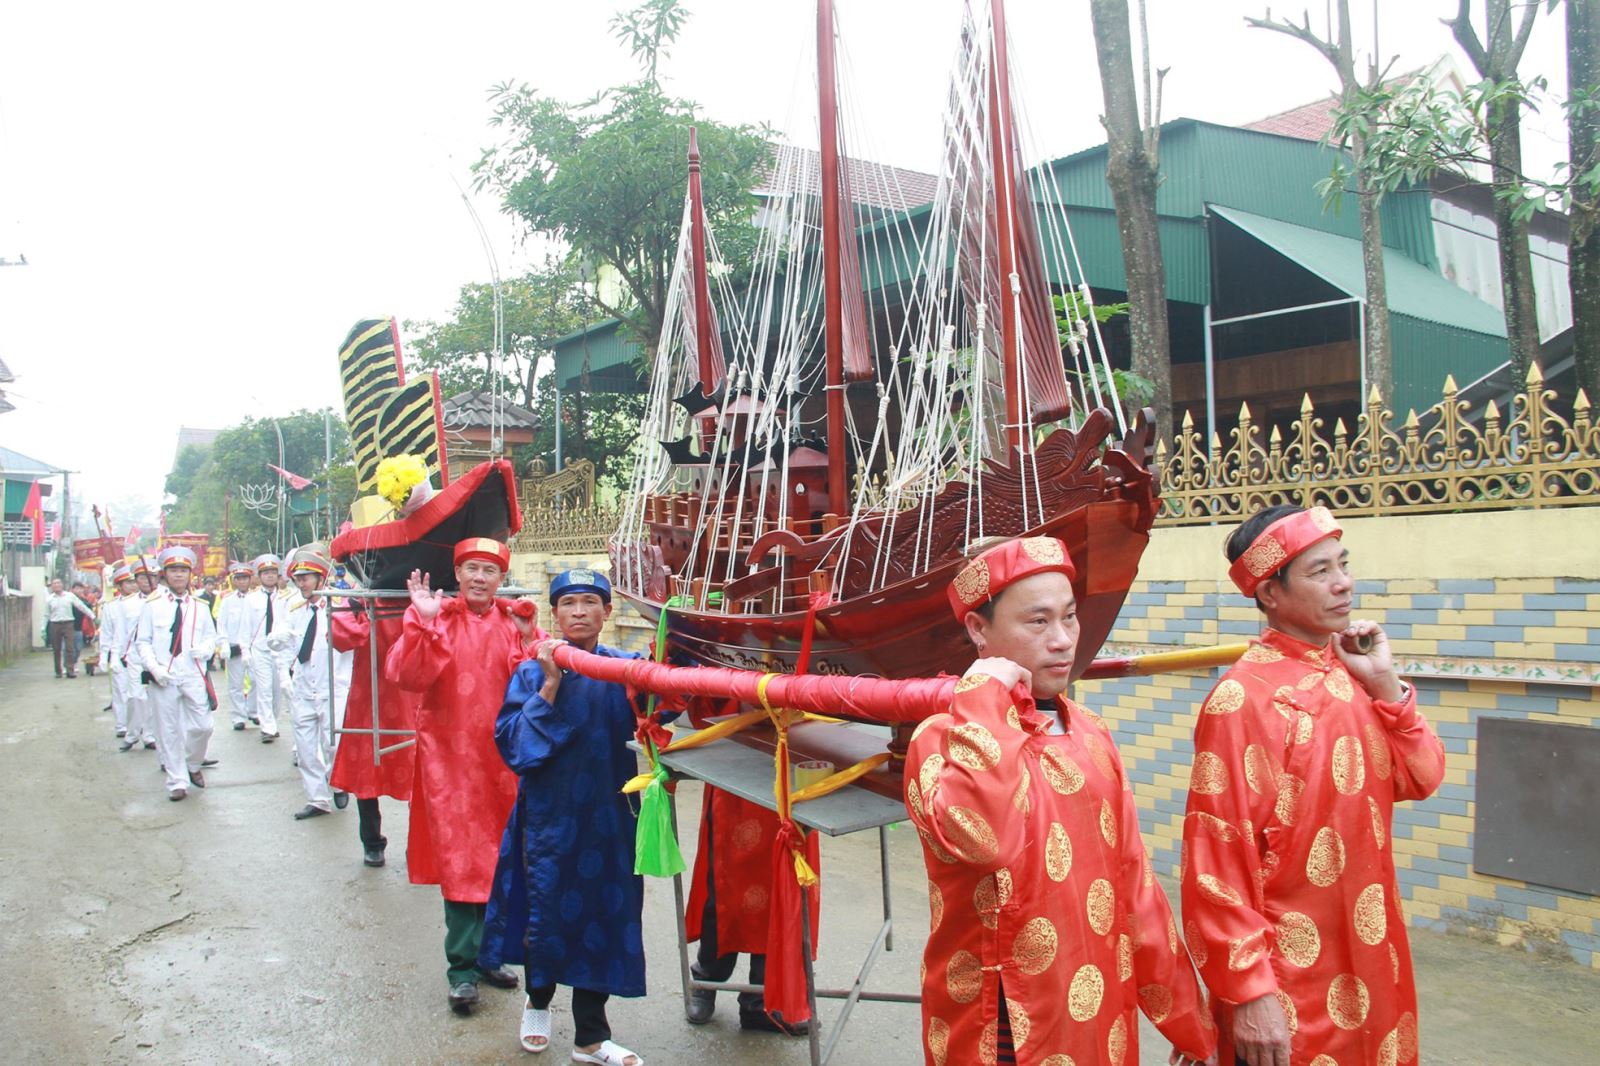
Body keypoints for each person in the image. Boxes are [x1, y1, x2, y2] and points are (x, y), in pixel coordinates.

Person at [906, 536, 1216, 1066]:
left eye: (1069, 617)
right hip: (1002, 1028)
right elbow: (986, 842)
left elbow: (1135, 893)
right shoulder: (941, 740)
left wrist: (1191, 1026)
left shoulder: (1092, 734)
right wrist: (983, 697)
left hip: (1101, 1021)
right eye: (1037, 621)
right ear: (978, 630)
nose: (1063, 640)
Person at [1181, 506, 1446, 1066]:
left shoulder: (1353, 675)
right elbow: (1216, 864)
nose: (1343, 582)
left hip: (1374, 957)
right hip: (1291, 980)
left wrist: (1385, 685)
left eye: (1343, 565)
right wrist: (1251, 993)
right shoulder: (1242, 699)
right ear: (1270, 593)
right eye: (1320, 571)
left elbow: (1422, 777)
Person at [479, 570, 655, 1066]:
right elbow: (516, 749)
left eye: (589, 602)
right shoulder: (531, 672)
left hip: (609, 819)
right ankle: (537, 1005)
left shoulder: (626, 670)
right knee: (545, 914)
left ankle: (591, 1037)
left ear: (607, 612)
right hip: (548, 821)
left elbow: (666, 710)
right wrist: (552, 685)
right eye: (569, 603)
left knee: (604, 915)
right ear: (553, 613)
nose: (579, 611)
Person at [386, 537, 541, 1015]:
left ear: (500, 579)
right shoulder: (438, 617)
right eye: (472, 568)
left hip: (502, 762)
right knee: (459, 861)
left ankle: (488, 955)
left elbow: (534, 684)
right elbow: (405, 676)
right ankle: (460, 969)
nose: (479, 578)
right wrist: (422, 623)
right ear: (458, 573)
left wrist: (530, 637)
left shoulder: (511, 623)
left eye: (489, 571)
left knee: (501, 860)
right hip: (448, 762)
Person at [329, 589, 419, 869]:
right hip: (370, 696)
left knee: (423, 774)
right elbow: (342, 638)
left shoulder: (423, 598)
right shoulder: (362, 600)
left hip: (413, 696)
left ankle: (418, 845)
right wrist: (358, 609)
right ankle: (372, 842)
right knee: (366, 771)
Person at [134, 546, 219, 802]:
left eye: (183, 570)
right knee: (168, 730)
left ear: (190, 574)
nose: (179, 575)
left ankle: (193, 764)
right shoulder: (152, 605)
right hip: (165, 675)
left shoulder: (200, 606)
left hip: (193, 673)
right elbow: (143, 641)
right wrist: (155, 669)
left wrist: (204, 649)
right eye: (174, 570)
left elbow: (210, 636)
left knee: (203, 726)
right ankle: (177, 781)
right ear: (164, 574)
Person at [282, 552, 352, 820]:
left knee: (333, 743)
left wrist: (345, 680)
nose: (302, 584)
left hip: (332, 686)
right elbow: (286, 645)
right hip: (303, 688)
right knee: (305, 748)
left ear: (321, 578)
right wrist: (284, 672)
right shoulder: (293, 610)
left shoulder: (341, 606)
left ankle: (337, 781)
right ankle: (317, 799)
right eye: (298, 579)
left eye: (307, 578)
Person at [244, 554, 294, 742]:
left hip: (280, 650)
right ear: (259, 576)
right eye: (266, 573)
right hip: (260, 649)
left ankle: (273, 719)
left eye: (273, 572)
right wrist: (244, 651)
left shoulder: (285, 598)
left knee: (276, 689)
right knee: (263, 688)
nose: (270, 576)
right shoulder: (252, 599)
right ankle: (267, 727)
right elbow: (245, 626)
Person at [97, 565, 142, 740]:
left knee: (140, 695)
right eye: (128, 582)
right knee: (121, 691)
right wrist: (104, 656)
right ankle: (122, 725)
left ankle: (141, 727)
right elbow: (107, 633)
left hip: (139, 655)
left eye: (134, 582)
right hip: (120, 655)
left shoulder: (145, 603)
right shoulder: (111, 607)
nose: (133, 586)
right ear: (119, 585)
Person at [216, 562, 256, 730]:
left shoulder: (256, 598)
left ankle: (253, 711)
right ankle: (238, 716)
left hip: (253, 647)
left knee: (256, 680)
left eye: (245, 578)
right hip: (234, 646)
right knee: (235, 684)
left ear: (250, 579)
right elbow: (222, 624)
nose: (241, 582)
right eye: (238, 579)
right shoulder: (227, 600)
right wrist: (223, 643)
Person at [45, 577, 95, 678]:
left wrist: (92, 616)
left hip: (68, 623)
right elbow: (46, 614)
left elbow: (81, 606)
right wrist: (43, 627)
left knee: (69, 648)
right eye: (54, 584)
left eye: (58, 583)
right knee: (57, 648)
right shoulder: (49, 599)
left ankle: (70, 670)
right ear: (52, 587)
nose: (57, 585)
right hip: (55, 624)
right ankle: (58, 671)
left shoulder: (69, 596)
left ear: (62, 585)